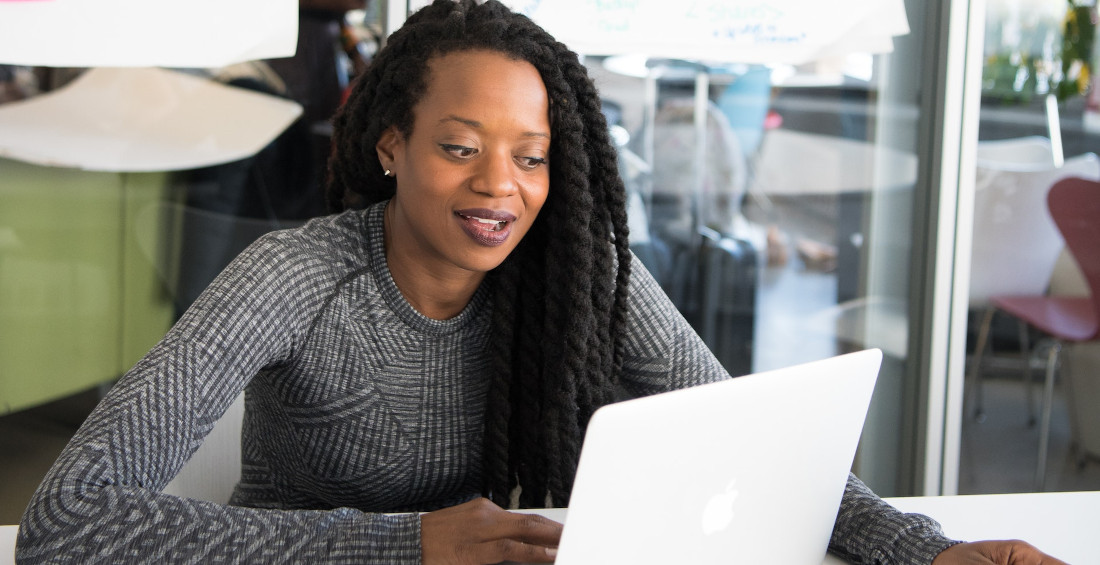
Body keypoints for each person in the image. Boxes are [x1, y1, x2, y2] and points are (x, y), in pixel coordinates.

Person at [15, 1, 1067, 564]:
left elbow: (766, 448)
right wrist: (406, 548)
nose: (499, 188)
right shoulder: (295, 277)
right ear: (389, 143)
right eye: (460, 146)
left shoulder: (577, 274)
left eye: (530, 156)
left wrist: (923, 553)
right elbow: (71, 523)